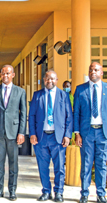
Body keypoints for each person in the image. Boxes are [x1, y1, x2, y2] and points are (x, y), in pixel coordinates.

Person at [72, 62, 107, 203]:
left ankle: (101, 194)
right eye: (91, 70)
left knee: (101, 165)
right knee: (86, 164)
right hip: (87, 133)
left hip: (104, 133)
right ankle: (84, 193)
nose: (93, 72)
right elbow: (76, 113)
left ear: (101, 72)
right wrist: (77, 133)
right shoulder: (80, 89)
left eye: (96, 70)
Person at [29, 70, 73, 202]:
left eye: (52, 79)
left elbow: (69, 117)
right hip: (41, 137)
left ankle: (59, 192)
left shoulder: (63, 95)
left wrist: (67, 135)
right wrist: (32, 134)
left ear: (57, 80)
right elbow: (32, 116)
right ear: (44, 79)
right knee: (43, 167)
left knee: (59, 167)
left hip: (57, 137)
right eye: (48, 79)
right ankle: (46, 191)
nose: (50, 81)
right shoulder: (37, 95)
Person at [0, 65, 27, 201]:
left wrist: (22, 132)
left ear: (13, 75)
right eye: (3, 73)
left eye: (8, 73)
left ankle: (12, 191)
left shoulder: (20, 92)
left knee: (13, 164)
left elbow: (23, 114)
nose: (5, 76)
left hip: (14, 134)